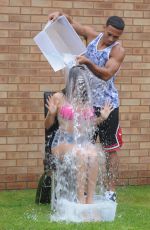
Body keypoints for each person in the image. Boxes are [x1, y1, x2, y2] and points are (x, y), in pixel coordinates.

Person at [48, 11, 125, 202]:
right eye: (109, 34)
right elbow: (72, 25)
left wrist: (87, 62)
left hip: (107, 104)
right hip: (85, 104)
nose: (111, 38)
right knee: (83, 147)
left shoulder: (118, 50)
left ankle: (110, 191)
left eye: (116, 36)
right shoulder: (91, 36)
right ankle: (80, 190)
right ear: (104, 28)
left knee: (110, 149)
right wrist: (60, 16)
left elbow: (106, 74)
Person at [45, 64, 113, 204]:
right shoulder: (59, 97)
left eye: (84, 82)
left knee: (94, 154)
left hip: (80, 140)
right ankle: (80, 199)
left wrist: (101, 118)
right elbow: (46, 126)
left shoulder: (86, 102)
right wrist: (51, 115)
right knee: (81, 154)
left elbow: (88, 125)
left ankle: (90, 199)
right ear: (71, 81)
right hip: (63, 141)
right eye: (78, 82)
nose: (81, 85)